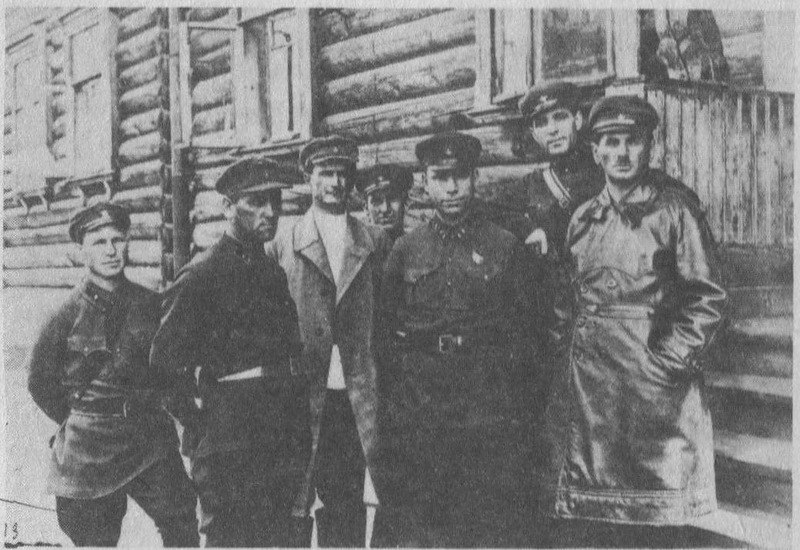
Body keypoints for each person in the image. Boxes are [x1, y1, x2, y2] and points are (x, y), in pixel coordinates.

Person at [539, 95, 727, 548]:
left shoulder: (676, 211)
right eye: (610, 142)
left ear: (649, 147)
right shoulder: (583, 218)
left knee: (655, 524)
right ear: (595, 151)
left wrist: (668, 360)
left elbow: (707, 298)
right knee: (596, 521)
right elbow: (567, 304)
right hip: (593, 398)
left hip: (656, 398)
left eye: (633, 141)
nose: (622, 153)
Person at [371, 131, 541, 548]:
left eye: (460, 176)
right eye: (440, 177)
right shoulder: (406, 251)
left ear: (474, 178)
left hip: (486, 408)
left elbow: (527, 334)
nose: (451, 188)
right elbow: (383, 338)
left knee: (484, 522)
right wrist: (403, 404)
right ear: (425, 182)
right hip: (424, 408)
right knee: (429, 522)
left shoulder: (504, 246)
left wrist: (510, 402)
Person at [150, 158, 311, 547]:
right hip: (231, 446)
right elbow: (162, 367)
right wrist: (204, 427)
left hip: (279, 436)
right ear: (227, 207)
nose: (269, 212)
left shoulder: (271, 271)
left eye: (274, 201)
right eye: (255, 202)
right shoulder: (202, 275)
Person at [27, 202, 198, 547]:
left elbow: (169, 372)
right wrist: (81, 417)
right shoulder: (64, 315)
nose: (110, 250)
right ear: (82, 251)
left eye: (117, 240)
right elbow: (39, 383)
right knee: (94, 536)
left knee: (182, 520)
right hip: (91, 447)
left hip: (147, 438)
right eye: (99, 242)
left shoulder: (151, 305)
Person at [266, 135, 392, 547]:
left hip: (351, 394)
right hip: (300, 393)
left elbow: (386, 317)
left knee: (345, 501)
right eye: (325, 173)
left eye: (342, 173)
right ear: (309, 177)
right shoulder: (284, 242)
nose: (335, 182)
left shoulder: (373, 240)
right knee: (293, 500)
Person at [518, 82, 604, 260]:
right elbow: (493, 211)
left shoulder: (604, 170)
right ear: (534, 134)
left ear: (577, 120)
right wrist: (528, 229)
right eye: (542, 123)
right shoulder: (532, 183)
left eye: (560, 117)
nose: (552, 130)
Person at [355, 163, 413, 244]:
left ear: (406, 203)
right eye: (377, 201)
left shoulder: (418, 249)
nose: (385, 209)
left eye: (392, 198)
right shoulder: (359, 250)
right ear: (366, 208)